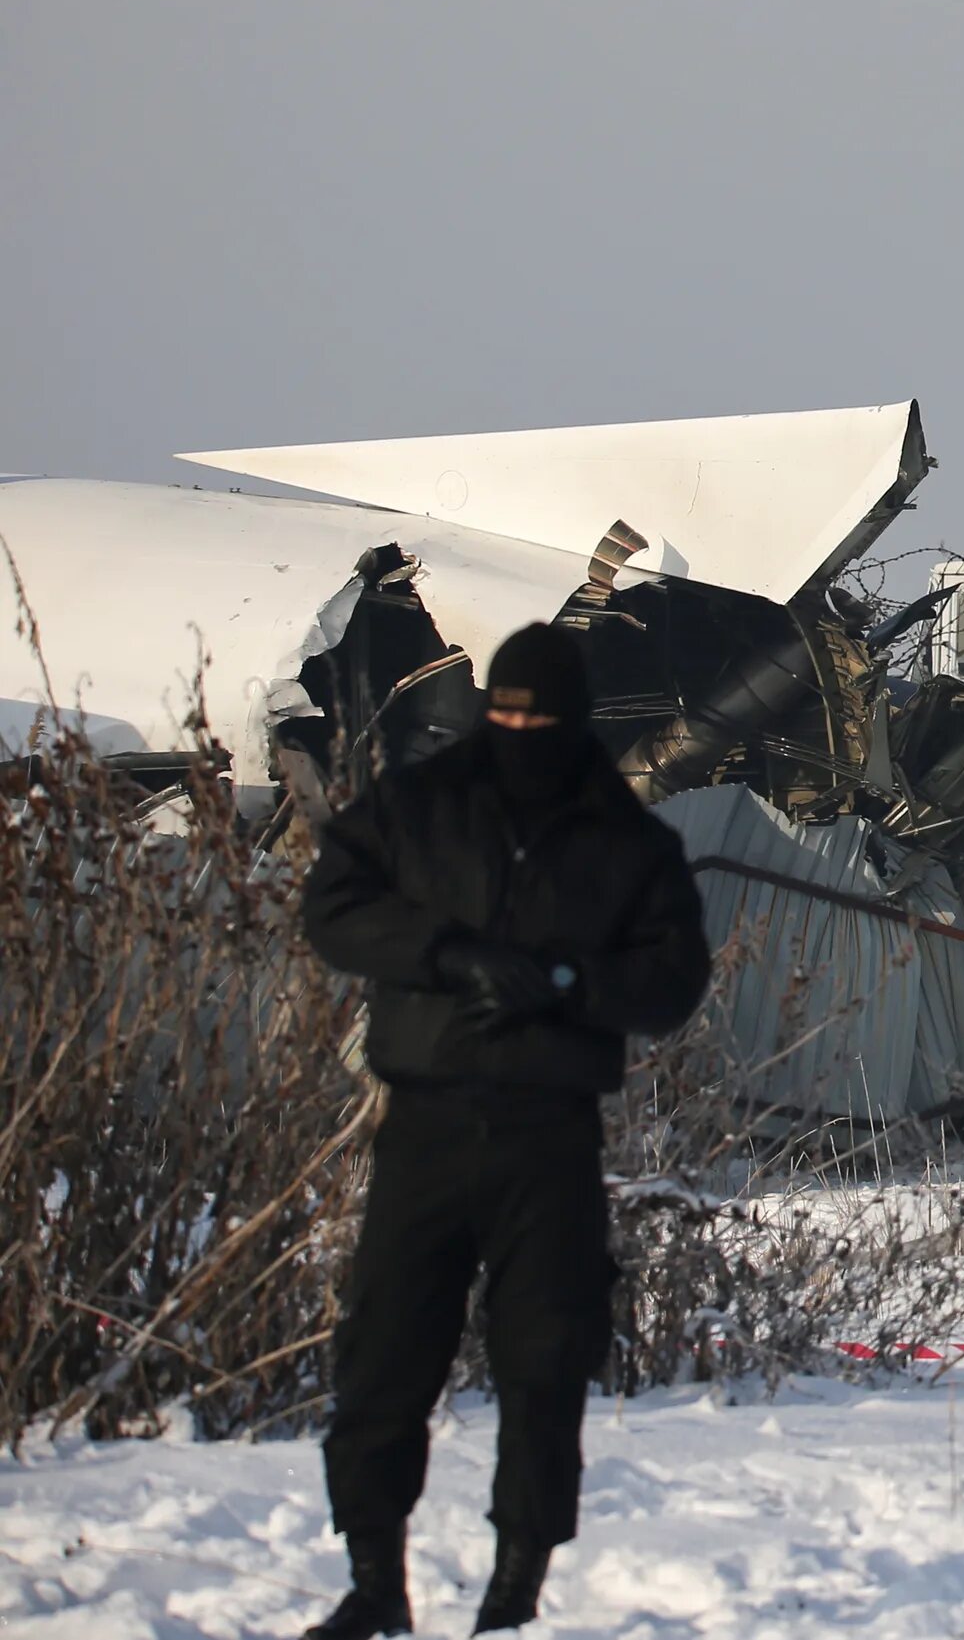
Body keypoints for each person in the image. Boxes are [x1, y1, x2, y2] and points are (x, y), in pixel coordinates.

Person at [300, 624, 710, 1637]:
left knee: (544, 1363)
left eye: (539, 716)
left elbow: (673, 982)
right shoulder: (416, 808)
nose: (519, 730)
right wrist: (448, 955)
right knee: (385, 1355)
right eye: (507, 711)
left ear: (571, 719)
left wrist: (573, 985)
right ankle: (374, 1580)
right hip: (426, 1124)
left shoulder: (627, 842)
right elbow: (335, 911)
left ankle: (514, 1586)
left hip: (549, 1135)